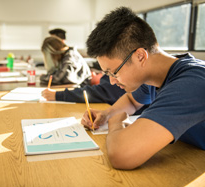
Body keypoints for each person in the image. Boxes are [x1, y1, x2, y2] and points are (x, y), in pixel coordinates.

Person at [81, 7, 205, 170]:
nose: (111, 81)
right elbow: (132, 101)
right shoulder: (154, 75)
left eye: (114, 72)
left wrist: (116, 123)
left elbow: (122, 154)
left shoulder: (192, 82)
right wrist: (107, 114)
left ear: (140, 56)